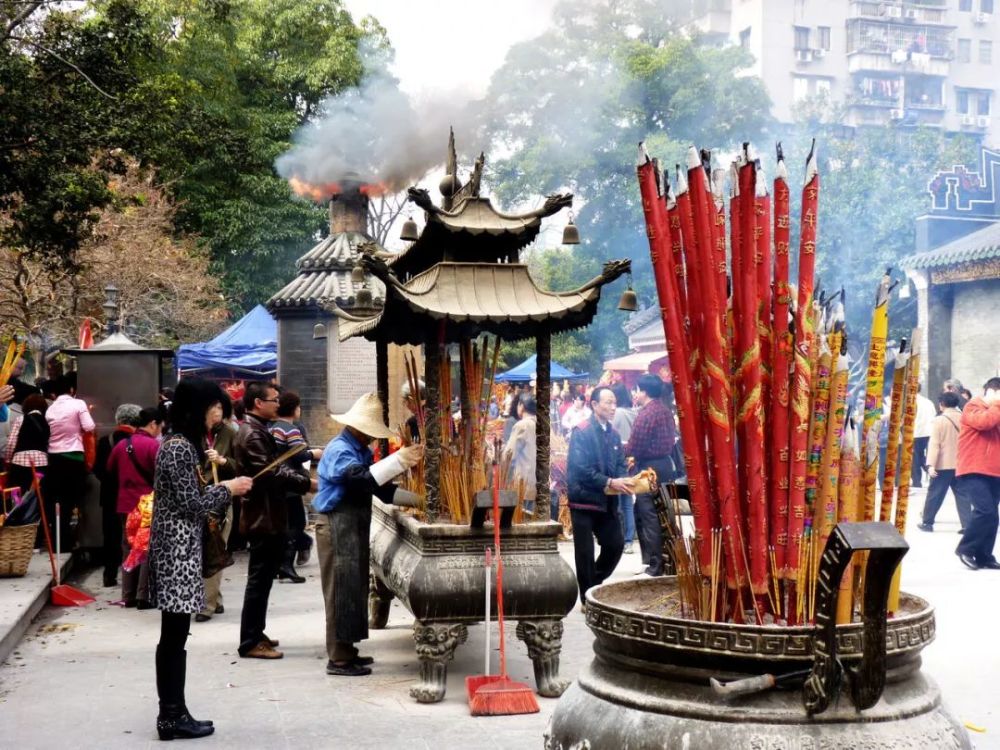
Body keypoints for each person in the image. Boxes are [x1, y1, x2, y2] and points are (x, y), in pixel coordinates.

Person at [148, 378, 252, 740]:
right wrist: (227, 488)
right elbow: (192, 505)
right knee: (173, 636)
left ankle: (175, 711)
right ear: (196, 409)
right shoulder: (178, 448)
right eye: (214, 407)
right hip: (175, 553)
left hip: (180, 549)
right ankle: (170, 716)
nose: (218, 414)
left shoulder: (182, 445)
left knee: (176, 635)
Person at [313, 393, 423, 676]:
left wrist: (418, 500)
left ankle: (347, 650)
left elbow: (378, 487)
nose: (373, 439)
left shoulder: (358, 449)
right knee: (339, 589)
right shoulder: (340, 450)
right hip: (336, 523)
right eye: (371, 434)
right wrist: (398, 460)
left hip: (351, 525)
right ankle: (338, 659)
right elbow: (360, 480)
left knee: (353, 587)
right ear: (360, 429)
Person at [234, 382, 313, 659]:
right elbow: (272, 474)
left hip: (268, 514)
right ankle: (250, 641)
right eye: (274, 400)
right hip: (262, 517)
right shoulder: (252, 434)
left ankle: (256, 632)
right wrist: (307, 483)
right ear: (258, 403)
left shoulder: (257, 430)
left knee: (263, 579)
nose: (278, 404)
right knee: (258, 580)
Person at [567, 386, 633, 605]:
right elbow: (579, 469)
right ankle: (588, 599)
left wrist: (625, 480)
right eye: (608, 402)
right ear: (594, 405)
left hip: (607, 499)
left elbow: (621, 463)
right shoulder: (582, 431)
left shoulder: (614, 434)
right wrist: (608, 481)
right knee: (584, 552)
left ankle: (593, 583)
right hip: (583, 500)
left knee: (615, 544)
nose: (613, 407)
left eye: (614, 402)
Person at [108, 407, 160, 608]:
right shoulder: (153, 446)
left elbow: (110, 470)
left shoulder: (122, 445)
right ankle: (143, 596)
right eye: (159, 426)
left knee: (129, 548)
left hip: (125, 505)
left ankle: (128, 594)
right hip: (147, 505)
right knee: (146, 548)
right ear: (153, 423)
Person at [269, 390, 322, 584]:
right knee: (297, 523)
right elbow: (299, 455)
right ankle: (286, 565)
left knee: (285, 524)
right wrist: (315, 453)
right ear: (295, 409)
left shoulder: (273, 427)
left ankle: (281, 565)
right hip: (290, 482)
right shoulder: (290, 429)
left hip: (277, 481)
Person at [625, 374, 675, 577]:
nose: (635, 394)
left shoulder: (646, 414)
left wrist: (621, 449)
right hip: (665, 465)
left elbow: (635, 445)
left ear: (643, 392)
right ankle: (656, 561)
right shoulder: (665, 411)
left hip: (649, 468)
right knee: (658, 513)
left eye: (637, 390)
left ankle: (655, 565)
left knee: (649, 515)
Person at [197, 398, 238, 622]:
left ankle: (207, 605)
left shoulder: (231, 433)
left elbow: (240, 465)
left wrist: (222, 461)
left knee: (214, 548)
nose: (216, 412)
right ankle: (216, 599)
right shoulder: (194, 434)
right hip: (197, 497)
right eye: (213, 407)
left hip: (221, 497)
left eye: (221, 408)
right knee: (205, 549)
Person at [44, 374, 96, 550]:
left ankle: (58, 540)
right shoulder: (78, 404)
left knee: (57, 501)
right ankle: (69, 541)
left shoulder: (50, 409)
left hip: (53, 458)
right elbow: (89, 426)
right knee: (72, 500)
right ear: (72, 390)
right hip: (73, 457)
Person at [954, 378, 1000, 570]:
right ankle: (965, 549)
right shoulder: (973, 406)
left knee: (992, 515)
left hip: (994, 470)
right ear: (991, 391)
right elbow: (984, 423)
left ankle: (984, 555)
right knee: (985, 511)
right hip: (974, 467)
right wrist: (996, 403)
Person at [94, 404, 141, 587]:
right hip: (133, 497)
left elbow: (98, 469)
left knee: (111, 536)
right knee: (133, 537)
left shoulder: (106, 441)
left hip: (109, 496)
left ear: (118, 419)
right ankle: (133, 579)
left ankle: (109, 575)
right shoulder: (138, 440)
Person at [919, 392, 968, 533]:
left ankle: (927, 523)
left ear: (942, 404)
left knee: (935, 494)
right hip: (961, 464)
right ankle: (967, 525)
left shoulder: (939, 420)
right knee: (963, 495)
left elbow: (934, 444)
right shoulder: (964, 418)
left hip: (942, 465)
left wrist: (930, 465)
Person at [2, 393, 50, 495]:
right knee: (36, 494)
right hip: (41, 465)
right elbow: (48, 443)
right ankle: (33, 510)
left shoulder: (21, 419)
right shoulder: (47, 423)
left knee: (16, 492)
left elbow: (11, 442)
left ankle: (18, 507)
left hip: (20, 463)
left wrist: (8, 460)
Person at [609, 382, 637, 554]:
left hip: (618, 459)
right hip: (631, 460)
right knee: (628, 503)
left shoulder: (617, 413)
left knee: (619, 503)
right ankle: (629, 540)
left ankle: (620, 538)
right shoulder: (634, 413)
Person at [503, 394, 537, 511]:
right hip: (539, 485)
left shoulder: (522, 425)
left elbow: (509, 455)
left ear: (521, 406)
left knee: (522, 523)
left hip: (524, 485)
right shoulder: (541, 424)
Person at [912, 385, 936, 488]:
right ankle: (931, 472)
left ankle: (917, 482)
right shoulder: (928, 402)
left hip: (915, 433)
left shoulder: (911, 401)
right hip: (928, 433)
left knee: (915, 458)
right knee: (923, 456)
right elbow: (933, 415)